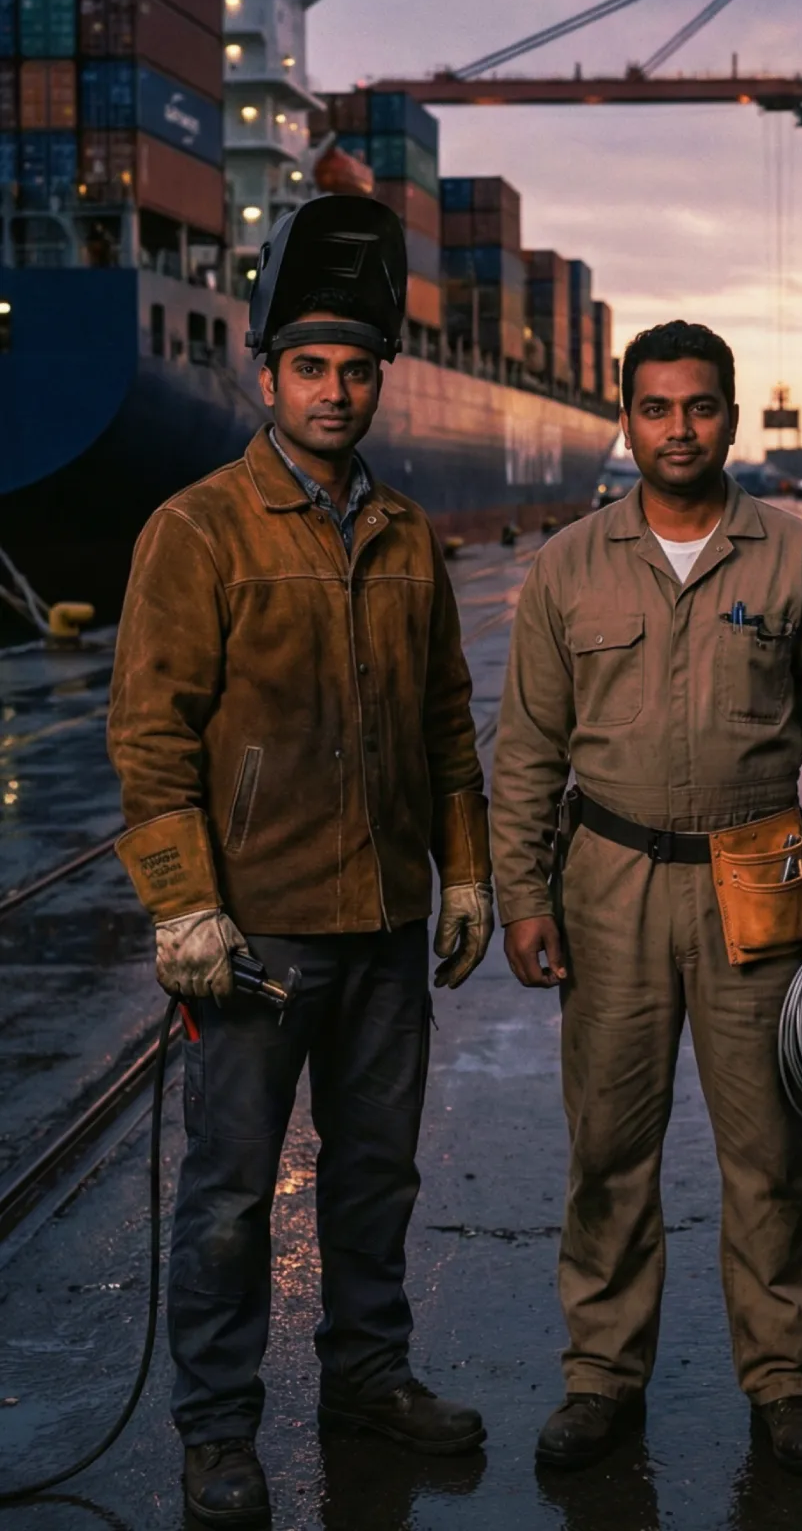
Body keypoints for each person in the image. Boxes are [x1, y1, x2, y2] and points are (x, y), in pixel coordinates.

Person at [107, 197, 494, 1529]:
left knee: (376, 1176)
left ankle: (368, 1382)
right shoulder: (199, 529)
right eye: (311, 369)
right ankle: (219, 1434)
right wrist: (185, 903)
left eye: (357, 369)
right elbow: (149, 736)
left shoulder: (404, 535)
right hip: (254, 941)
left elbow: (448, 723)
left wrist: (470, 875)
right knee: (225, 1201)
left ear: (379, 380)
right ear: (267, 378)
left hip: (386, 929)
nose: (336, 391)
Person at [490, 320, 802, 1476]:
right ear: (625, 416)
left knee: (767, 1151)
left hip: (756, 877)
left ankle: (784, 1383)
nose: (680, 428)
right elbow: (526, 748)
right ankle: (601, 1376)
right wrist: (525, 892)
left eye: (701, 407)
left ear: (728, 414)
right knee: (608, 1148)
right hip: (608, 881)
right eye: (656, 407)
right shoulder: (571, 563)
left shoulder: (795, 557)